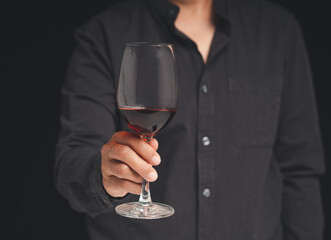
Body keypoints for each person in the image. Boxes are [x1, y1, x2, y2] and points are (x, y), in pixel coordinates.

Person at [55, 0, 325, 239]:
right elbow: (72, 162)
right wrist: (104, 176)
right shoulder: (103, 34)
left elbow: (300, 169)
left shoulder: (277, 30)